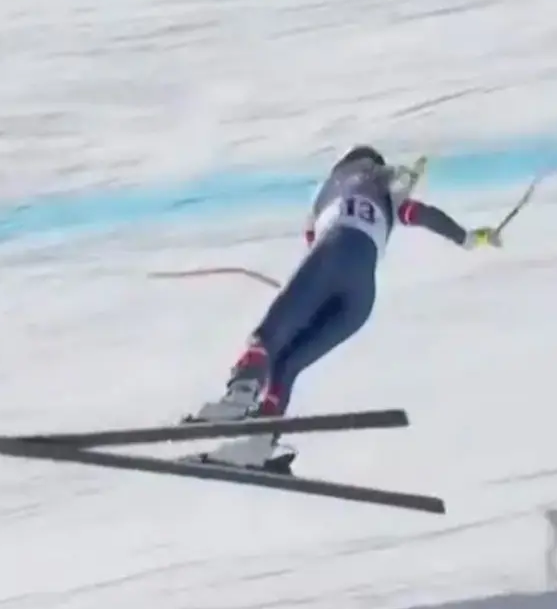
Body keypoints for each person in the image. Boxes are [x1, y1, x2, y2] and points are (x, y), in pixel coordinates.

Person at [186, 145, 503, 468]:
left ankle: (239, 397)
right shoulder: (385, 188)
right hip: (360, 300)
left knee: (268, 338)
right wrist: (469, 238)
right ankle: (259, 442)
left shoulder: (331, 188)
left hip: (330, 260)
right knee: (287, 363)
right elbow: (421, 214)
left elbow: (313, 242)